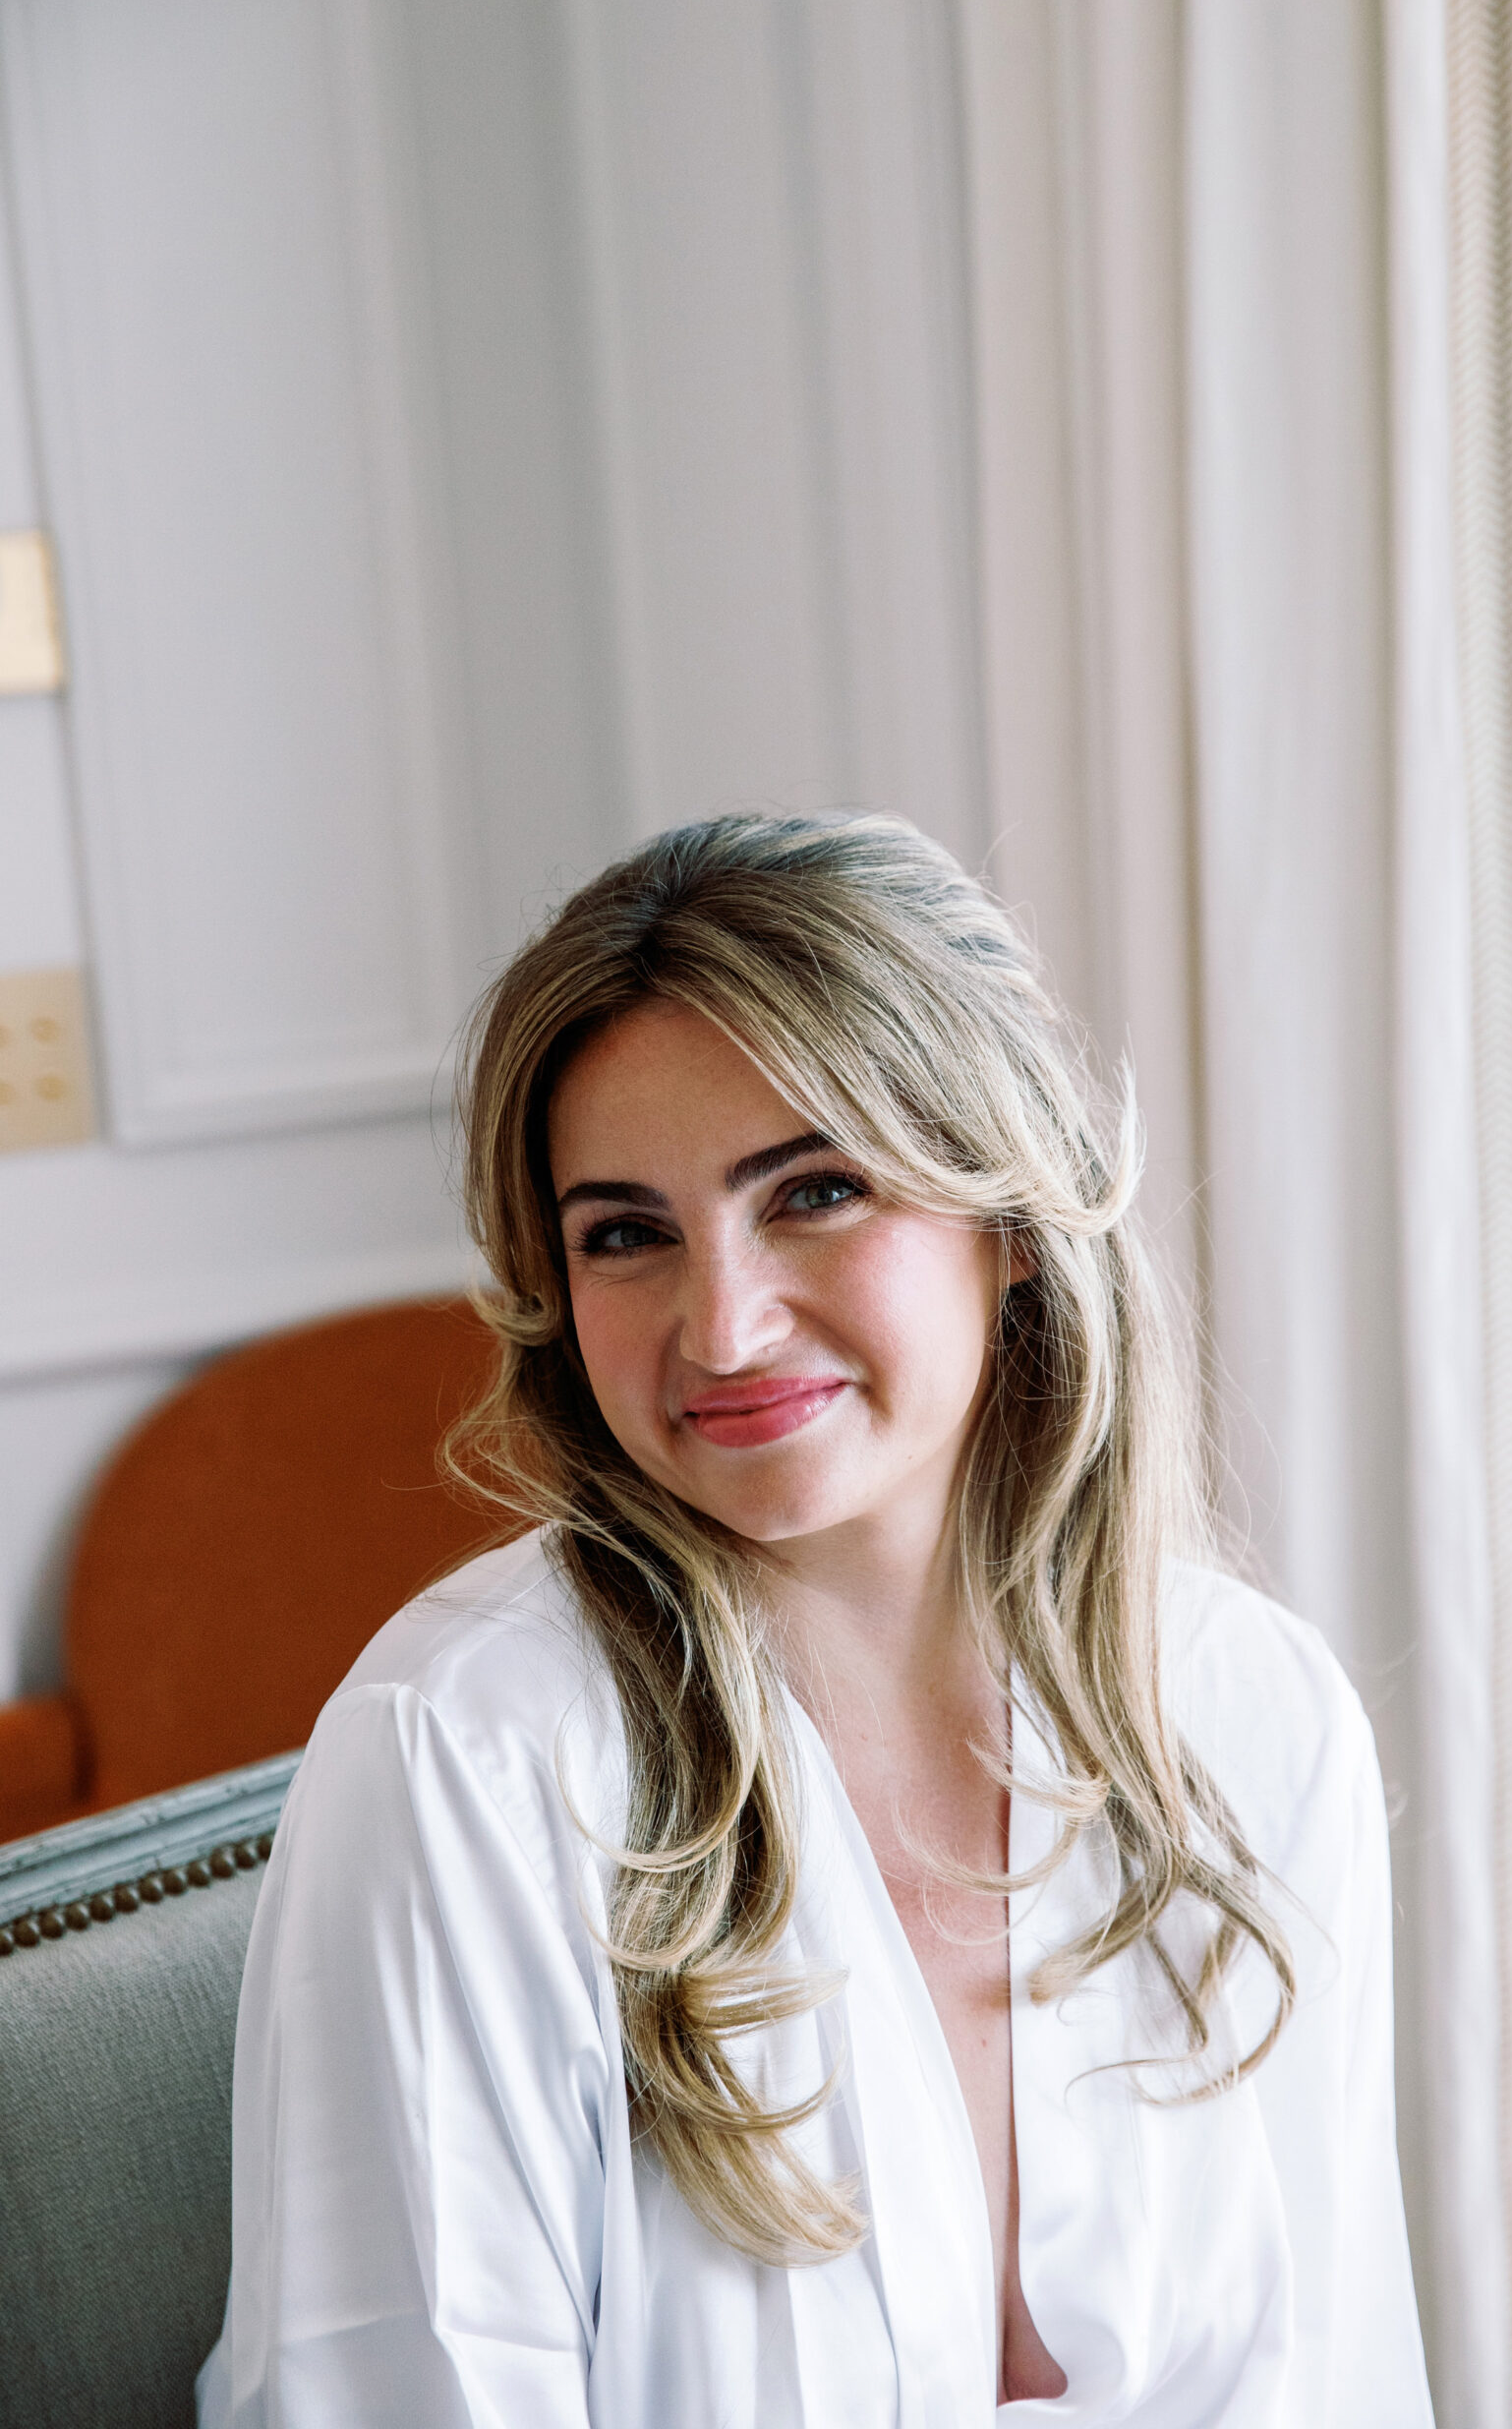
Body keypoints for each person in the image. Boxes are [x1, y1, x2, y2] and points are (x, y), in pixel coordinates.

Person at [199, 811, 1433, 2427]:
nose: (721, 1326)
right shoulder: (467, 1762)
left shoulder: (1249, 1710)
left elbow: (1340, 2375)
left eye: (816, 1191)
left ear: (1011, 1219)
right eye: (626, 1233)